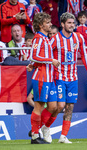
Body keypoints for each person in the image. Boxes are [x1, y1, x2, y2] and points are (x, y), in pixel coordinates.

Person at [40, 12, 87, 144]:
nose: (72, 25)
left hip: (73, 77)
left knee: (69, 107)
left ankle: (63, 136)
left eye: (73, 23)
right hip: (59, 77)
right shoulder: (55, 39)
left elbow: (84, 55)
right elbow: (46, 53)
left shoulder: (78, 37)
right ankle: (45, 127)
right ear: (62, 24)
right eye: (69, 23)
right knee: (60, 105)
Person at [28, 12, 60, 144]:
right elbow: (33, 56)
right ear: (41, 25)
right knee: (39, 107)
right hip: (41, 77)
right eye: (48, 22)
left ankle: (37, 128)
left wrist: (32, 65)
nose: (50, 24)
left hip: (49, 78)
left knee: (53, 107)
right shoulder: (38, 38)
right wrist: (51, 60)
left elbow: (36, 59)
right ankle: (35, 136)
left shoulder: (46, 38)